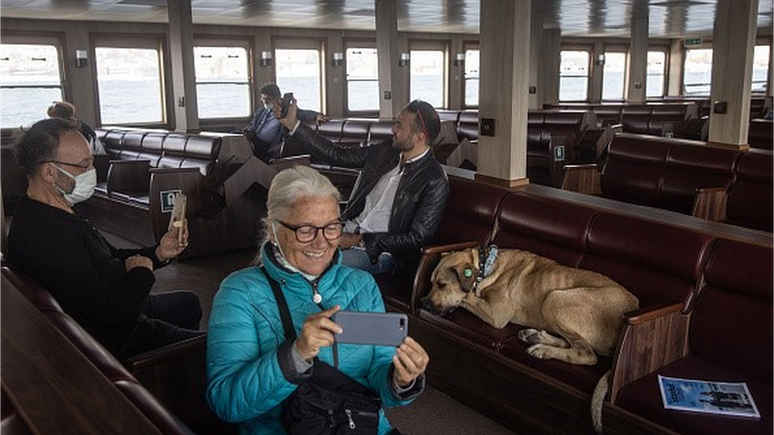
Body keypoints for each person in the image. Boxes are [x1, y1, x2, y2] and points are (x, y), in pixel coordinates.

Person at [206, 165, 428, 435]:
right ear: (273, 229)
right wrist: (295, 355)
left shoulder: (362, 286)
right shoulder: (240, 292)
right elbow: (227, 402)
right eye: (306, 230)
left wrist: (400, 380)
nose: (321, 243)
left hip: (358, 427)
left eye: (332, 228)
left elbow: (377, 374)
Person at [7, 118, 203, 361]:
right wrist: (142, 273)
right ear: (49, 172)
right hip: (109, 336)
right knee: (210, 347)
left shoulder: (53, 208)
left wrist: (158, 253)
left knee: (188, 303)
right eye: (84, 165)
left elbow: (107, 257)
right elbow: (112, 311)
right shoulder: (48, 235)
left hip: (107, 306)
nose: (92, 171)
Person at [277, 99, 450, 275]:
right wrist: (294, 125)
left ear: (419, 137)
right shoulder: (386, 152)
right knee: (284, 250)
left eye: (398, 126)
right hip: (345, 231)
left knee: (316, 265)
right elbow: (338, 155)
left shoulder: (434, 180)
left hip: (380, 253)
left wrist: (358, 240)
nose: (393, 129)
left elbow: (416, 238)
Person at [240, 83, 328, 161]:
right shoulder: (260, 112)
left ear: (277, 99)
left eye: (268, 99)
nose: (265, 102)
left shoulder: (285, 111)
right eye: (263, 98)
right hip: (255, 139)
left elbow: (302, 113)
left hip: (269, 145)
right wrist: (247, 132)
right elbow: (251, 126)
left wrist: (316, 115)